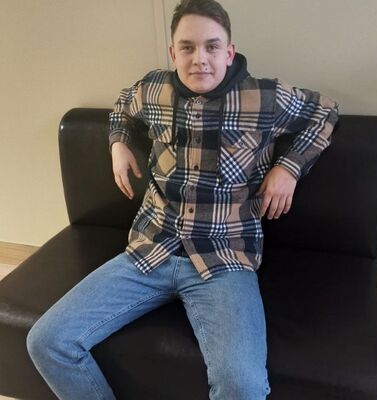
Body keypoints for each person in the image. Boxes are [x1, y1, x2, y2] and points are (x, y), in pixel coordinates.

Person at [26, 0, 339, 399]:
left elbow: (326, 112)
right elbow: (123, 104)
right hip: (150, 249)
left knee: (243, 385)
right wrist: (118, 144)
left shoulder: (265, 97)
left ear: (229, 52)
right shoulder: (154, 89)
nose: (199, 59)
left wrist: (289, 168)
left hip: (223, 258)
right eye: (187, 47)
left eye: (212, 46)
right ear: (173, 53)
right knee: (47, 341)